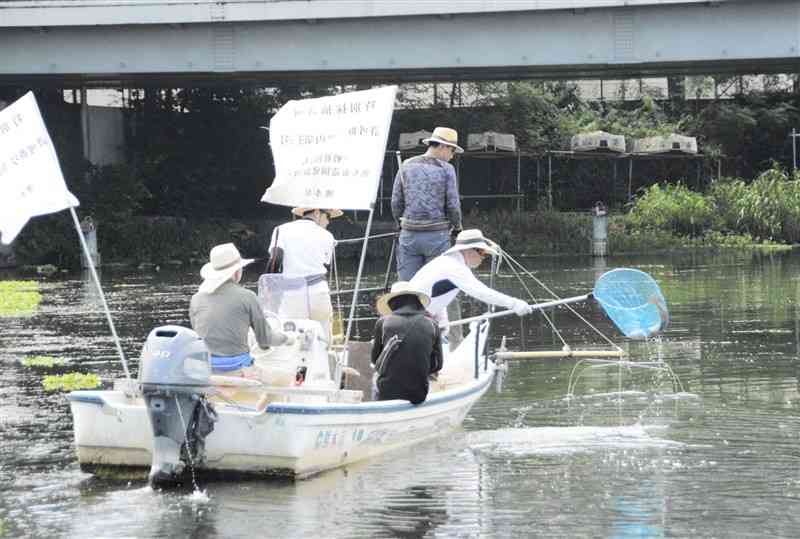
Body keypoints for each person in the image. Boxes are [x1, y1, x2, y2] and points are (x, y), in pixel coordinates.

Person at [190, 242, 292, 375]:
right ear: (237, 272)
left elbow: (199, 334)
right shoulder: (247, 296)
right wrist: (288, 339)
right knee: (283, 379)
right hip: (238, 368)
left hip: (206, 368)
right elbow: (265, 340)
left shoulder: (196, 298)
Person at [410, 229, 533, 331]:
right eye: (482, 252)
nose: (483, 257)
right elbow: (481, 292)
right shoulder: (455, 267)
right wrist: (514, 303)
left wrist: (441, 317)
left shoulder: (447, 263)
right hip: (413, 321)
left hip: (416, 317)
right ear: (468, 250)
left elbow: (435, 291)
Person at [392, 126, 464, 281]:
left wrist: (400, 222)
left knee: (407, 285)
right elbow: (453, 205)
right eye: (452, 151)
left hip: (409, 234)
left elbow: (396, 202)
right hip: (437, 235)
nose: (452, 156)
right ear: (443, 146)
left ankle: (406, 305)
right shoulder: (446, 169)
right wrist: (457, 227)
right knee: (435, 284)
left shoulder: (406, 165)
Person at [267, 207, 342, 340]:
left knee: (292, 337)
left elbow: (276, 258)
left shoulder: (281, 229)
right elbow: (326, 264)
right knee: (322, 337)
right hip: (319, 291)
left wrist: (270, 287)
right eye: (328, 217)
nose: (328, 222)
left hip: (292, 293)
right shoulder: (327, 235)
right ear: (317, 213)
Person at [370, 281, 443, 404]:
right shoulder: (432, 324)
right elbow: (438, 365)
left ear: (392, 302)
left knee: (375, 378)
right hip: (418, 394)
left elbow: (374, 360)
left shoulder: (383, 323)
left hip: (387, 393)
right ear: (417, 302)